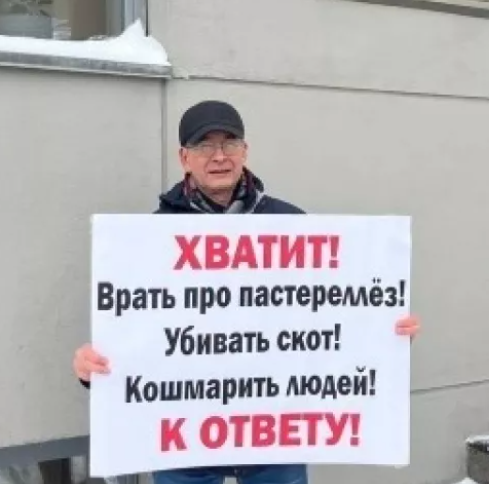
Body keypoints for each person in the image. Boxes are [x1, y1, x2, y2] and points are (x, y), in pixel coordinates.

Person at [73, 100, 420, 484]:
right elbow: (136, 323)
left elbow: (329, 314)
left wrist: (385, 335)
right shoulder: (151, 237)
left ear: (245, 151)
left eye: (230, 143)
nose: (219, 156)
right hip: (183, 442)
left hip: (275, 440)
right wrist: (94, 368)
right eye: (205, 145)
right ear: (184, 157)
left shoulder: (291, 224)